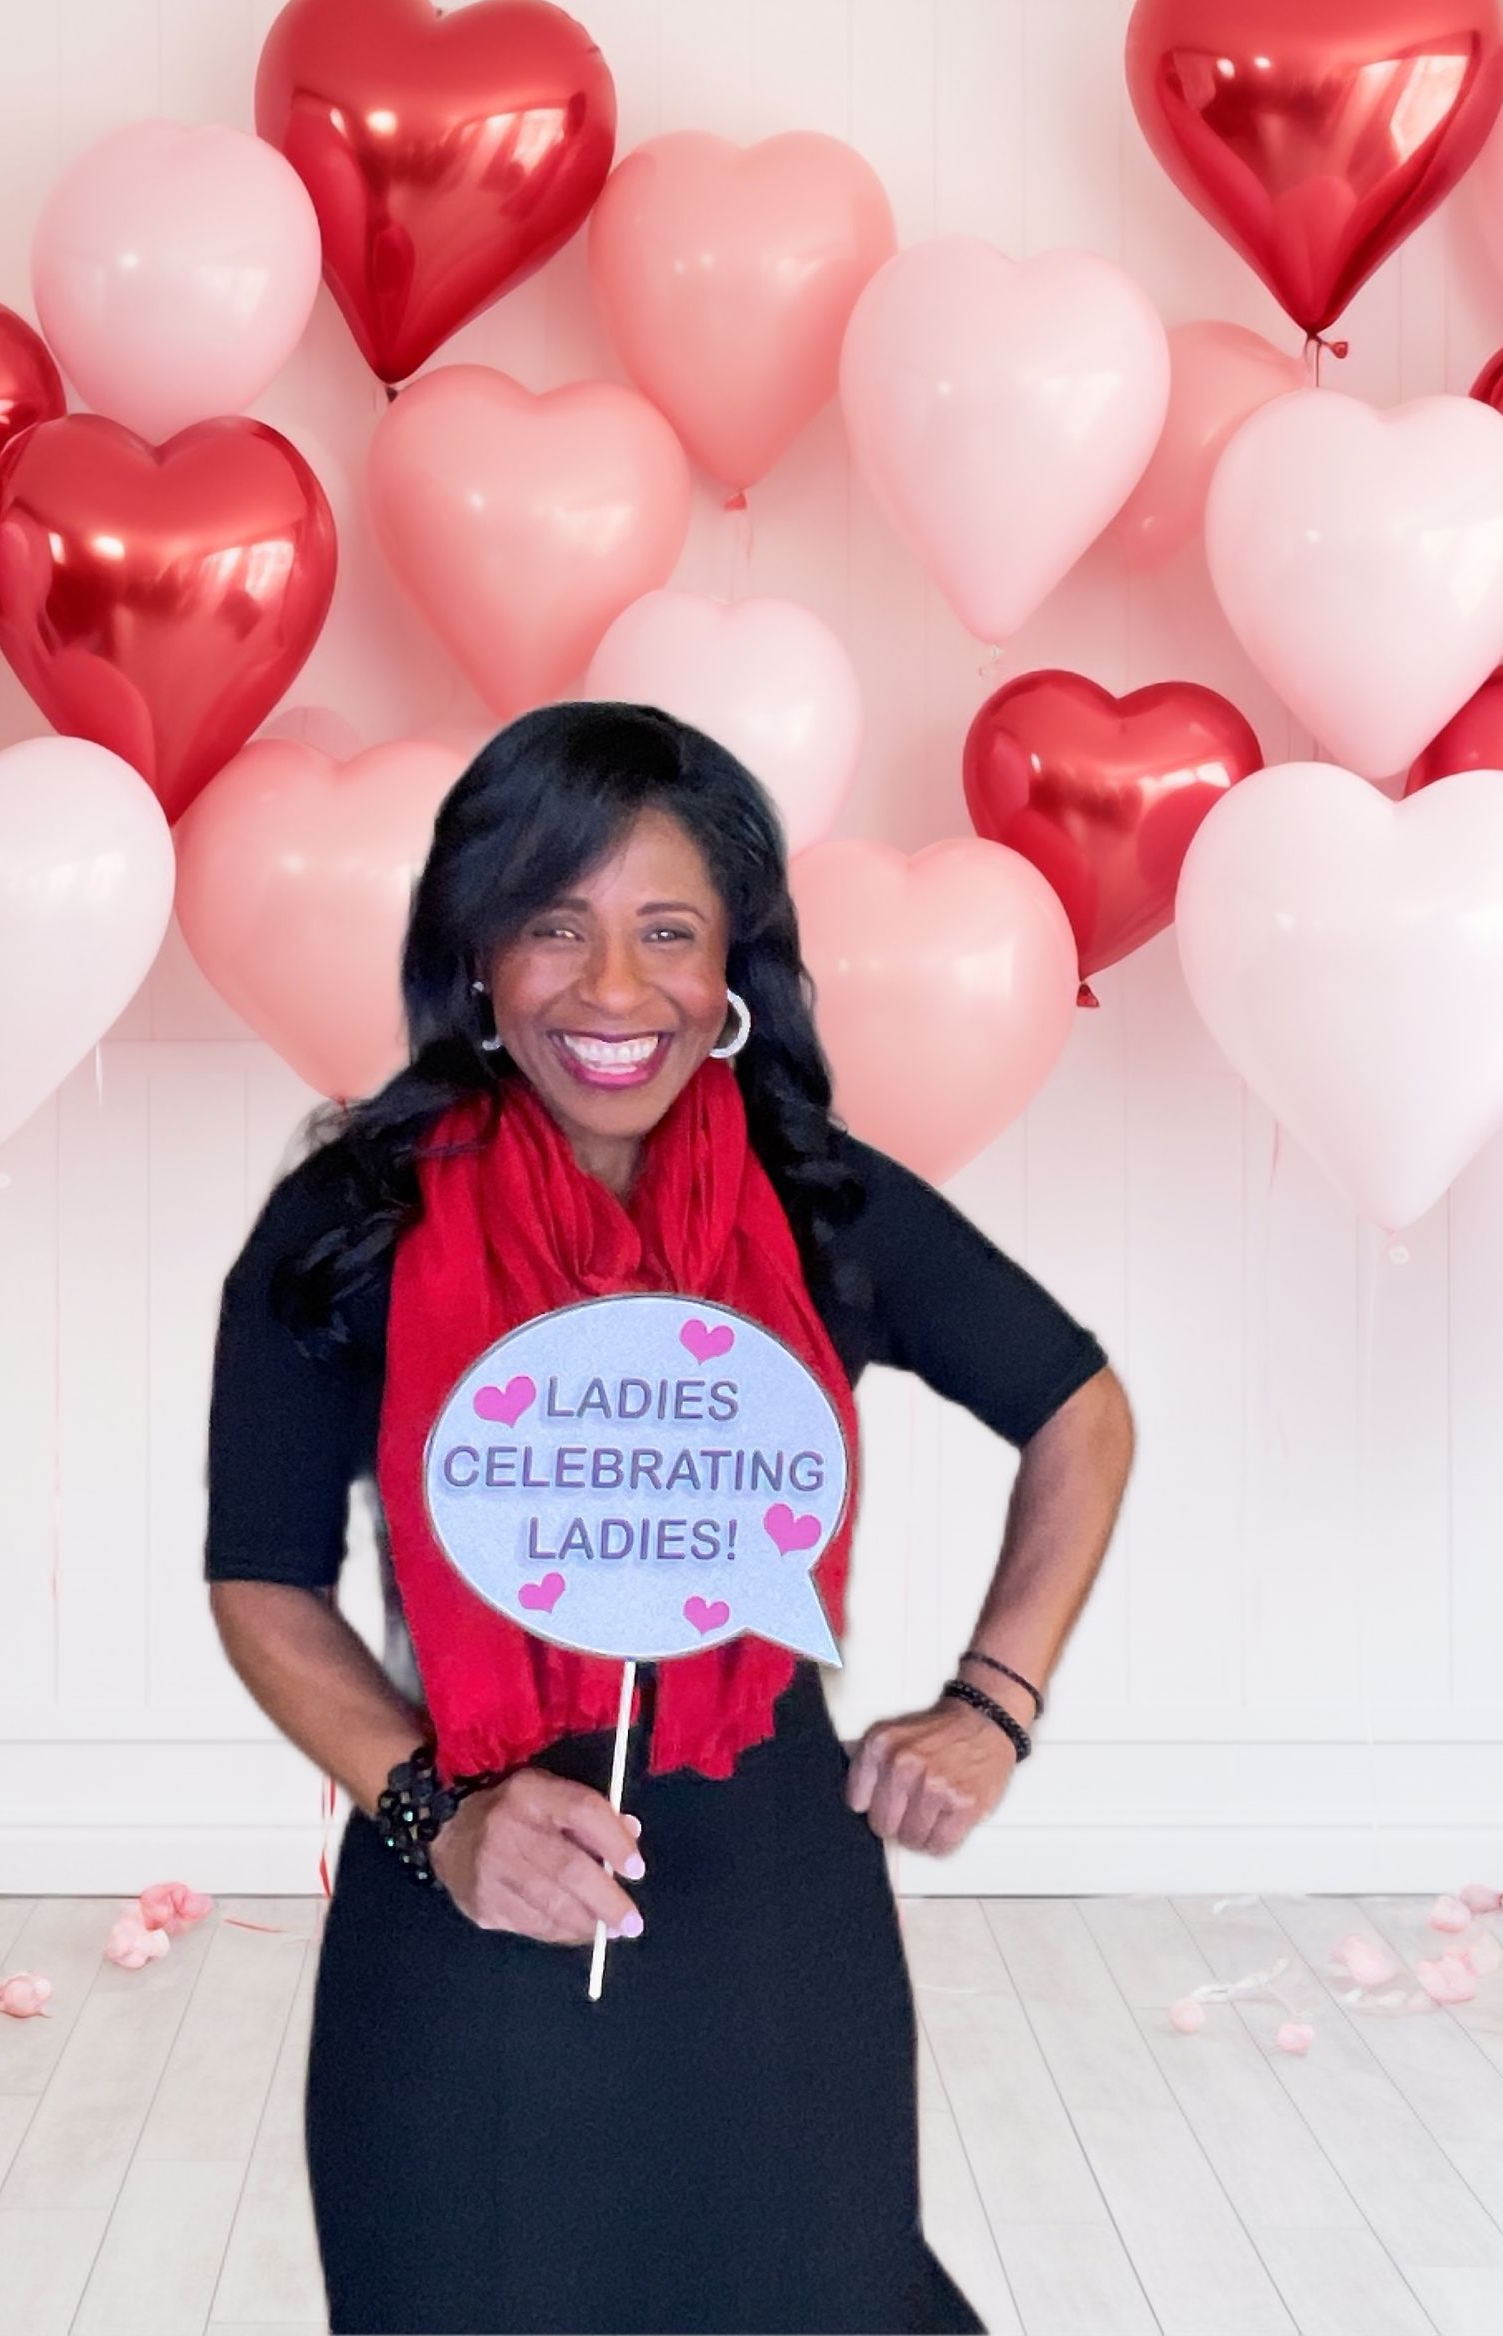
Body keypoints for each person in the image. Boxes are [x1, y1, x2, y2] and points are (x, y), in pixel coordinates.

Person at [205, 699, 1136, 2336]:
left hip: (770, 1937)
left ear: (731, 969)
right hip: (463, 1929)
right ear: (477, 951)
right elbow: (261, 1581)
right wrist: (442, 1818)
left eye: (667, 932)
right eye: (554, 926)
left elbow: (1079, 1408)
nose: (614, 991)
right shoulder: (350, 1221)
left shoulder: (819, 1201)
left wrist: (994, 1702)